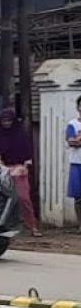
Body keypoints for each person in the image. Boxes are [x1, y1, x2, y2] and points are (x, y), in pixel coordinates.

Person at [0, 106, 42, 237]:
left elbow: (27, 154)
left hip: (19, 170)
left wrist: (24, 167)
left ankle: (32, 226)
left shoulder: (21, 135)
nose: (6, 123)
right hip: (2, 171)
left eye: (8, 121)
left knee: (24, 198)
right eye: (3, 121)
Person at [67, 96, 81, 231]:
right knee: (78, 196)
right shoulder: (72, 124)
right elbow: (72, 142)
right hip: (77, 162)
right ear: (78, 108)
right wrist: (77, 140)